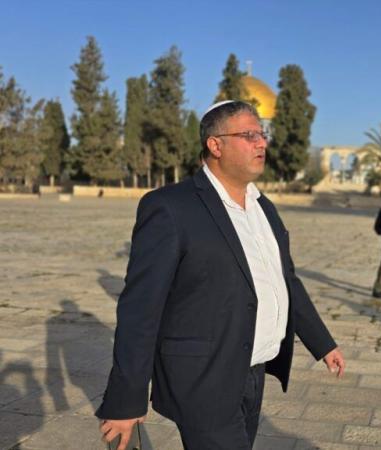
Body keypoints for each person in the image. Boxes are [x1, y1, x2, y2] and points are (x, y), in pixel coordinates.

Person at [97, 100, 345, 450]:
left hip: (253, 373)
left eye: (262, 134)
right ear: (215, 145)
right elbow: (140, 309)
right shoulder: (170, 207)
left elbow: (286, 280)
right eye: (249, 135)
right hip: (203, 379)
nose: (262, 143)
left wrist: (323, 343)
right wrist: (126, 400)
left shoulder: (264, 208)